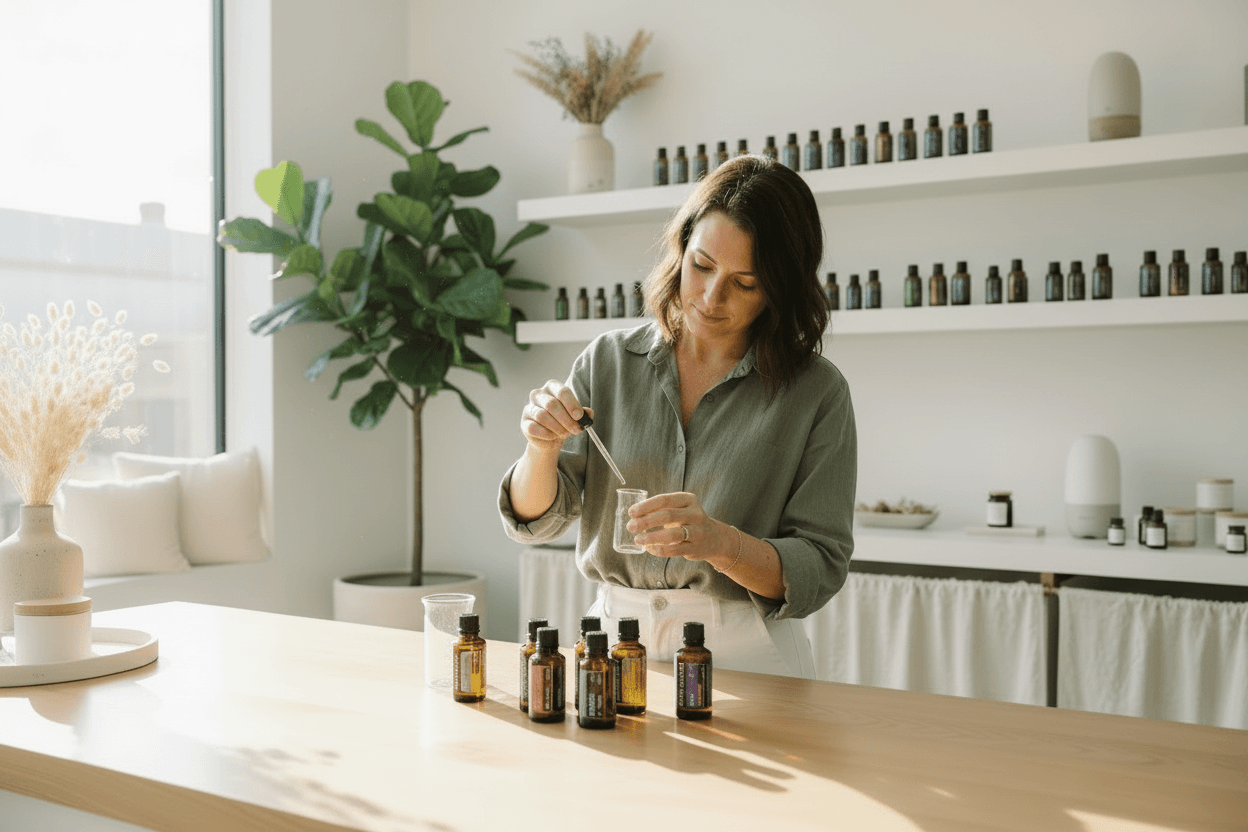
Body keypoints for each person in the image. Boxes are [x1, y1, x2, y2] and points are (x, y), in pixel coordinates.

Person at [497, 155, 856, 678]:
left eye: (745, 283)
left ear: (780, 288)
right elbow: (533, 523)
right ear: (681, 249)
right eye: (702, 266)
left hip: (747, 653)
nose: (711, 297)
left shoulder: (816, 392)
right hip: (611, 644)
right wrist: (542, 447)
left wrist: (722, 544)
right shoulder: (609, 362)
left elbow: (819, 566)